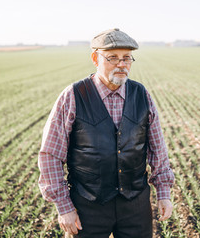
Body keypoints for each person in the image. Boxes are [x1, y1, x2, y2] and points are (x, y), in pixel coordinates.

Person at [38, 28, 175, 238]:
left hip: (135, 206)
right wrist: (64, 207)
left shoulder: (142, 95)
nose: (121, 64)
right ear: (95, 58)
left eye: (126, 58)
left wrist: (163, 192)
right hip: (87, 207)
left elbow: (158, 149)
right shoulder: (73, 96)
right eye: (112, 58)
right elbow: (50, 155)